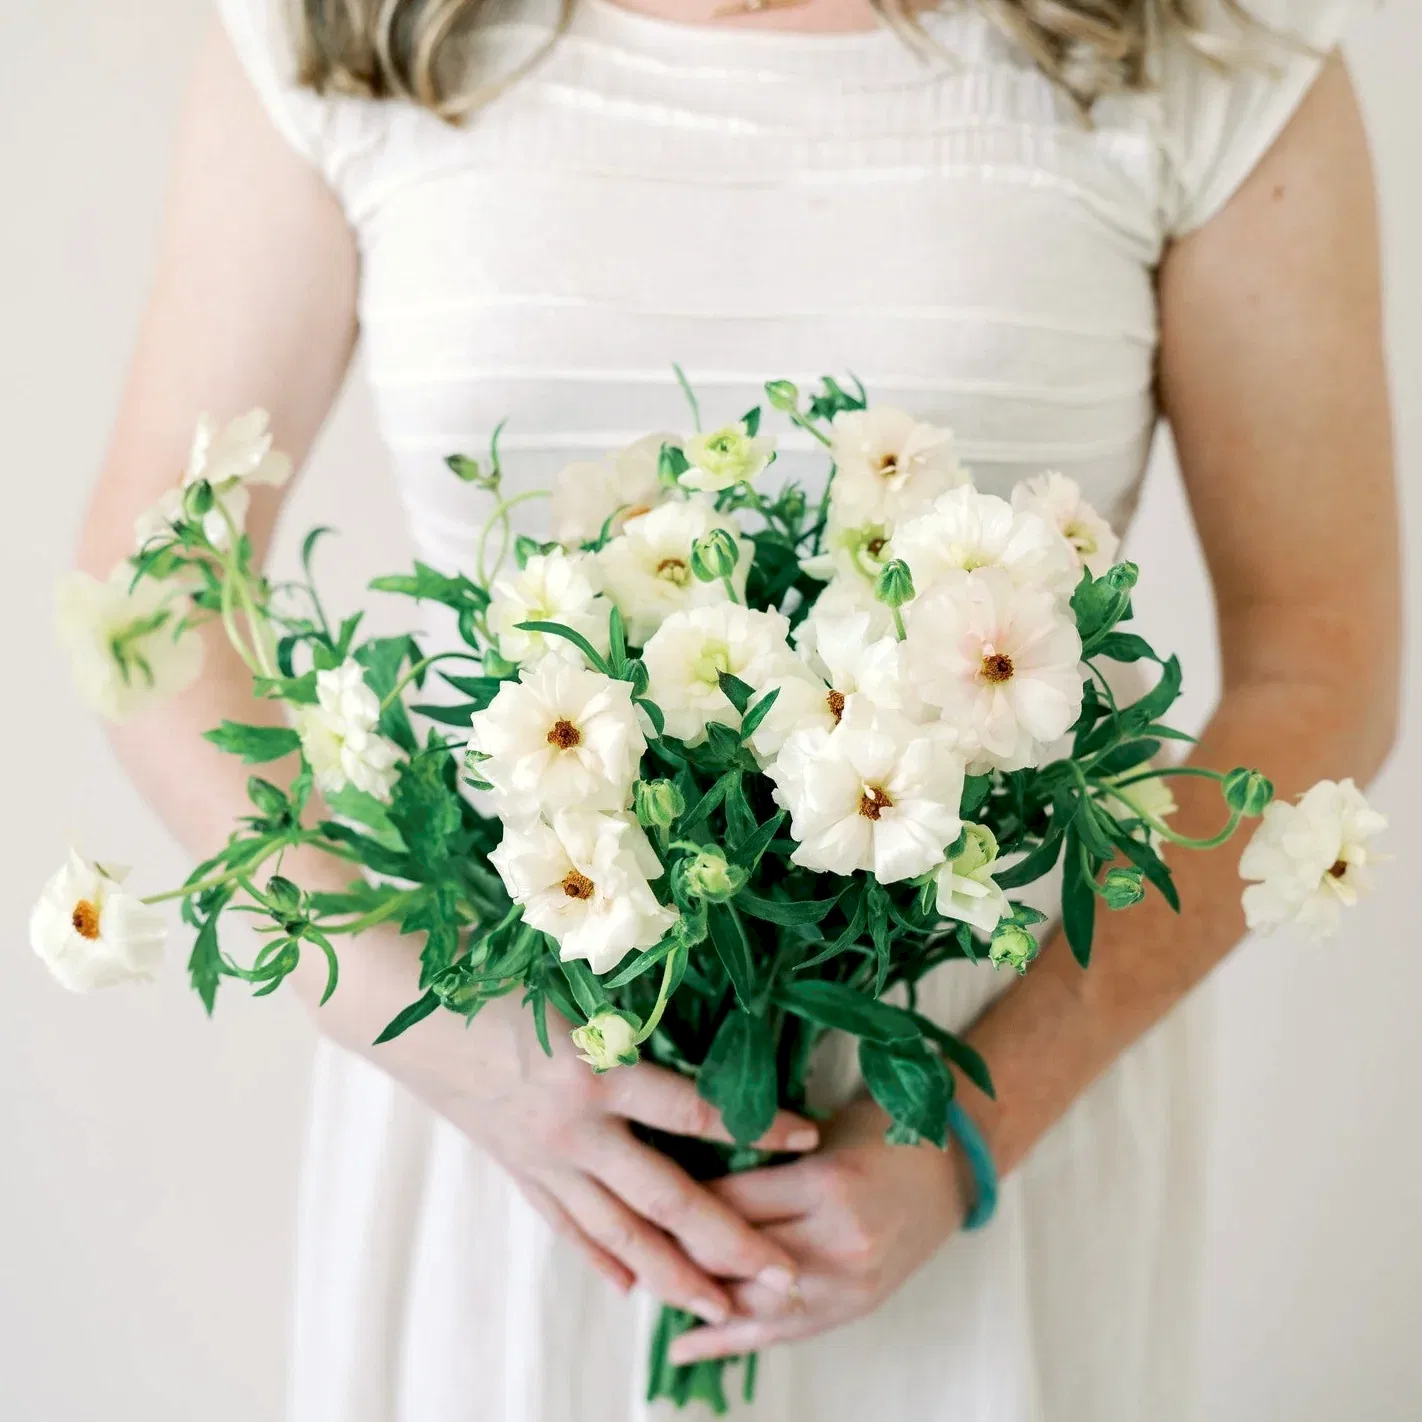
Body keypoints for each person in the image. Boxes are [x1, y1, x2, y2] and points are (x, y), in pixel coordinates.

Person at [78, 0, 1400, 1416]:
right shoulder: (339, 31)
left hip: (971, 1080)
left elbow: (1319, 658)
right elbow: (140, 605)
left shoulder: (1203, 50)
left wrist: (971, 1114)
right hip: (514, 1075)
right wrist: (461, 1046)